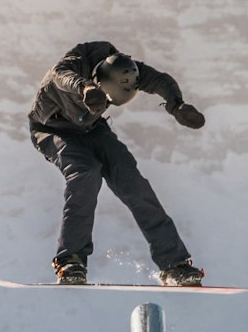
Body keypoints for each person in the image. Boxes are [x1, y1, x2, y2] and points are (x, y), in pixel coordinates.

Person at [28, 40, 206, 285]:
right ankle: (70, 260)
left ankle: (174, 265)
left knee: (133, 183)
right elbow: (62, 78)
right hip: (52, 130)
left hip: (92, 128)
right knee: (85, 174)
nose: (108, 103)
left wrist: (176, 104)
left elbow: (161, 80)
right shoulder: (68, 67)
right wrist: (86, 89)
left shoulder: (124, 68)